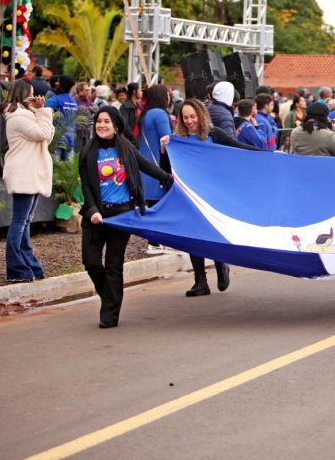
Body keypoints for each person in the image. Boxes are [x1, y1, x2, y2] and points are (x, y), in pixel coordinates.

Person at [79, 106, 172, 328]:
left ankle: (109, 314)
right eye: (99, 121)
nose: (101, 125)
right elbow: (86, 185)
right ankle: (109, 297)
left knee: (114, 265)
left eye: (107, 122)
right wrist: (92, 210)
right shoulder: (88, 152)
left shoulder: (126, 149)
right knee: (90, 262)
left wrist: (170, 180)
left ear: (116, 126)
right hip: (97, 216)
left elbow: (147, 166)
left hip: (122, 215)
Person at [173, 100, 259, 297]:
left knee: (212, 233)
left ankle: (221, 263)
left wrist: (269, 155)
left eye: (192, 117)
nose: (189, 121)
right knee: (193, 236)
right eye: (185, 117)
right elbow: (167, 165)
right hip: (189, 195)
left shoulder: (214, 135)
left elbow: (238, 148)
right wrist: (164, 147)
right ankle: (200, 281)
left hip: (213, 194)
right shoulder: (178, 139)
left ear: (201, 115)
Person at [1, 79, 55, 283]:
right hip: (24, 172)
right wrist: (41, 111)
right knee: (19, 221)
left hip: (29, 172)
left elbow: (47, 135)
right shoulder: (17, 117)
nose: (35, 98)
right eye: (32, 94)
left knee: (25, 221)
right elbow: (43, 132)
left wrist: (39, 112)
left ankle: (28, 265)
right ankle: (16, 269)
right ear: (24, 94)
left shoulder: (26, 115)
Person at [137, 85, 173, 254]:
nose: (169, 97)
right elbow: (167, 141)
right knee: (161, 206)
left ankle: (154, 242)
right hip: (158, 166)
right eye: (168, 95)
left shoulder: (146, 114)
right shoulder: (160, 114)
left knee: (153, 205)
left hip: (147, 166)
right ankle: (156, 242)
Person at [44, 75, 78, 160]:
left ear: (62, 85)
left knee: (55, 170)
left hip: (57, 141)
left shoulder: (55, 100)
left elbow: (42, 110)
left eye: (58, 82)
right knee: (67, 171)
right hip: (70, 141)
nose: (56, 83)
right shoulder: (74, 102)